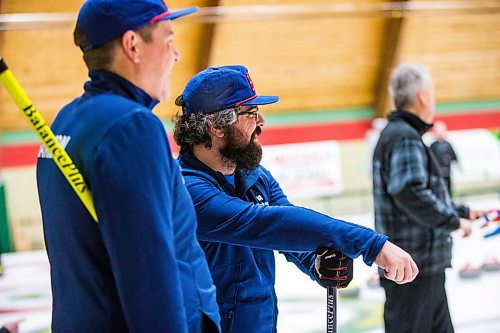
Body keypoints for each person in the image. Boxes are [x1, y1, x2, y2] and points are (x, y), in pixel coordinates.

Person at [173, 65, 419, 332]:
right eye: (251, 113)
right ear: (217, 126)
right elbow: (269, 224)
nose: (261, 123)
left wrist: (316, 263)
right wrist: (372, 245)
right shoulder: (187, 191)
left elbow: (289, 228)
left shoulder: (253, 175)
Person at [36, 1, 219, 332]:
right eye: (168, 40)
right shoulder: (131, 127)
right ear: (133, 45)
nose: (176, 55)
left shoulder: (67, 120)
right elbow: (148, 274)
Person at [372, 62, 482, 333]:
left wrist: (463, 211)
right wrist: (453, 222)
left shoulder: (400, 135)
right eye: (432, 93)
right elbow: (410, 193)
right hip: (413, 269)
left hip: (420, 268)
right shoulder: (405, 138)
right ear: (422, 96)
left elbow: (418, 193)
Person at [430, 120, 458, 197]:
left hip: (447, 172)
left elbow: (453, 157)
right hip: (437, 173)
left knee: (448, 188)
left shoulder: (447, 145)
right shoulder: (433, 146)